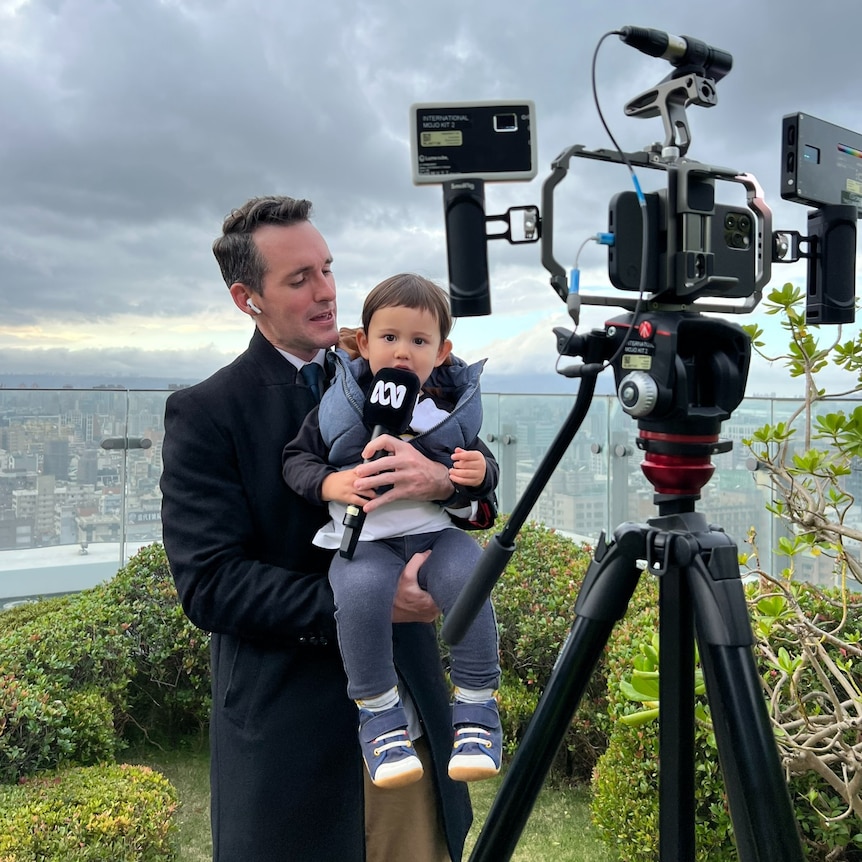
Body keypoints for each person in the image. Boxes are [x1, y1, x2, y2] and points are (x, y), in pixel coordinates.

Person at [160, 196, 490, 861]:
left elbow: (476, 470)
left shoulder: (388, 365)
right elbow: (212, 586)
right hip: (291, 732)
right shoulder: (207, 412)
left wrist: (447, 480)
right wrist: (362, 602)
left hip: (414, 712)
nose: (326, 291)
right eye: (299, 278)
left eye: (327, 269)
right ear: (246, 298)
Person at [282, 274, 502, 791]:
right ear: (363, 341)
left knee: (470, 577)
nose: (403, 352)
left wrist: (470, 474)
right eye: (389, 338)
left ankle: (476, 708)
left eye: (419, 341)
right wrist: (330, 482)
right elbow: (297, 459)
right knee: (358, 594)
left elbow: (483, 469)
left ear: (442, 352)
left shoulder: (445, 411)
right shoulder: (341, 406)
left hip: (434, 536)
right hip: (365, 541)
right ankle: (379, 717)